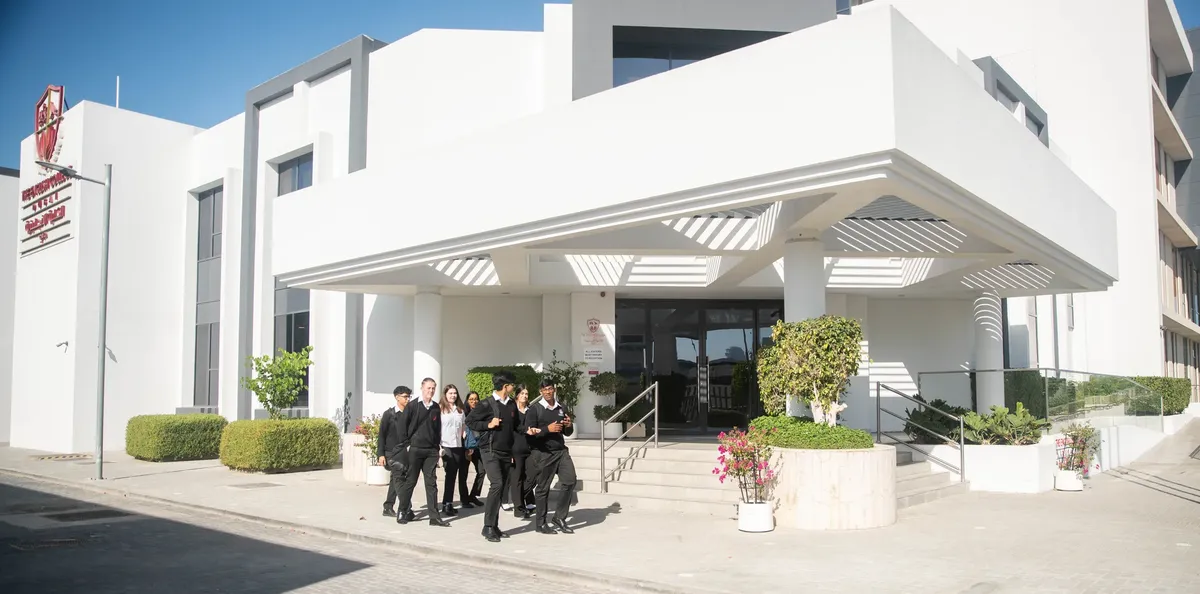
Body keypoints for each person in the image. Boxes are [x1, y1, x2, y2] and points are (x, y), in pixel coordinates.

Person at [465, 372, 520, 543]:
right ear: (505, 386)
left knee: (501, 487)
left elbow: (517, 426)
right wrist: (488, 424)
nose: (513, 387)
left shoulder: (511, 404)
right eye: (512, 385)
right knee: (497, 484)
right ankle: (487, 526)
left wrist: (531, 430)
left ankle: (494, 526)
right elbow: (470, 421)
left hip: (506, 451)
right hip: (489, 450)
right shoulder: (486, 404)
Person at [525, 378, 577, 535]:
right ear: (540, 392)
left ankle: (559, 517)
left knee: (570, 481)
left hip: (561, 451)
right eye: (544, 390)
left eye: (550, 389)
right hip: (544, 453)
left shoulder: (561, 407)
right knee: (543, 488)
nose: (547, 392)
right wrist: (547, 429)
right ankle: (540, 523)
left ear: (554, 389)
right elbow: (529, 434)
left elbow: (567, 432)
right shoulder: (534, 409)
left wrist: (569, 425)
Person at [396, 378, 450, 527]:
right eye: (428, 388)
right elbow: (402, 427)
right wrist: (406, 445)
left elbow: (437, 428)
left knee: (431, 483)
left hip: (431, 451)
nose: (431, 391)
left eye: (433, 388)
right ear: (422, 388)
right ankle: (403, 510)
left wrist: (438, 447)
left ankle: (434, 517)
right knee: (411, 481)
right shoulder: (413, 406)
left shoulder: (435, 407)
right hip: (415, 449)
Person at [379, 385, 411, 518]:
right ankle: (406, 508)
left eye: (409, 397)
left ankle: (388, 506)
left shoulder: (410, 413)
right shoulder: (389, 414)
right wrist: (381, 454)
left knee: (395, 479)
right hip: (391, 453)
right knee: (400, 479)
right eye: (405, 397)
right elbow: (381, 435)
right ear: (397, 397)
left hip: (404, 452)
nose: (408, 399)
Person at [438, 384, 469, 517]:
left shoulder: (460, 410)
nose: (453, 395)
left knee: (453, 474)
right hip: (445, 445)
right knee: (450, 473)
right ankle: (447, 504)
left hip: (458, 445)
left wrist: (464, 434)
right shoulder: (440, 409)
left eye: (455, 393)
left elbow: (463, 425)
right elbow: (436, 427)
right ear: (445, 394)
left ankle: (447, 502)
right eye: (450, 393)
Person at [508, 385, 536, 518]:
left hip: (529, 448)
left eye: (527, 394)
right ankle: (519, 507)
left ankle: (525, 498)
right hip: (515, 448)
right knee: (517, 478)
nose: (525, 396)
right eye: (522, 393)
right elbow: (508, 431)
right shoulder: (512, 410)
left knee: (532, 475)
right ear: (517, 395)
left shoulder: (531, 410)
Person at [462, 392, 486, 507]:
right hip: (466, 447)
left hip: (478, 446)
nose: (474, 401)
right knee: (464, 474)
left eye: (476, 399)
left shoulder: (481, 413)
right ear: (467, 401)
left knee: (482, 471)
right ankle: (464, 499)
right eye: (471, 399)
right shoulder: (463, 413)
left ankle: (473, 495)